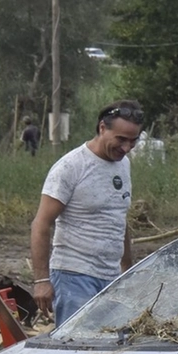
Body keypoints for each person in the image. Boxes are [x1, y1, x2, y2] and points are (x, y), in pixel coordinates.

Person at [30, 100, 144, 325]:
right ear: (103, 128)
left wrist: (127, 269)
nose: (126, 148)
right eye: (121, 139)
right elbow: (40, 224)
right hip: (75, 276)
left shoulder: (123, 165)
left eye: (133, 141)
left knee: (110, 348)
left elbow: (118, 217)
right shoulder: (71, 167)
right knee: (78, 351)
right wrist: (41, 280)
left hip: (111, 277)